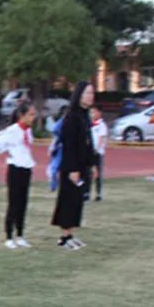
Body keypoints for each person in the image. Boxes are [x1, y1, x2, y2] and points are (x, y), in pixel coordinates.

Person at [51, 81, 94, 250]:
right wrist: (72, 169)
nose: (91, 97)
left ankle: (71, 234)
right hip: (71, 167)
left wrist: (92, 165)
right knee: (68, 201)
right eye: (88, 93)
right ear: (79, 95)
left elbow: (88, 144)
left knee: (77, 202)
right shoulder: (71, 117)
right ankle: (64, 237)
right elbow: (68, 145)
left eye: (92, 93)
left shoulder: (85, 116)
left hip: (83, 166)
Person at [0, 101, 37, 249]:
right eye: (30, 115)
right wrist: (7, 150)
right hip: (15, 169)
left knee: (23, 203)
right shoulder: (12, 130)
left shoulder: (28, 130)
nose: (33, 117)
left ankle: (20, 235)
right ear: (21, 115)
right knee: (13, 204)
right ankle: (9, 237)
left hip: (26, 169)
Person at [89, 105, 108, 201]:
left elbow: (101, 138)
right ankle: (86, 193)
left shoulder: (102, 125)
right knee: (88, 173)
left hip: (98, 152)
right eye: (91, 112)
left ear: (99, 113)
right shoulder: (89, 124)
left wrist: (96, 149)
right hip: (89, 151)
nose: (92, 114)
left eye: (94, 112)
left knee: (98, 173)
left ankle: (98, 193)